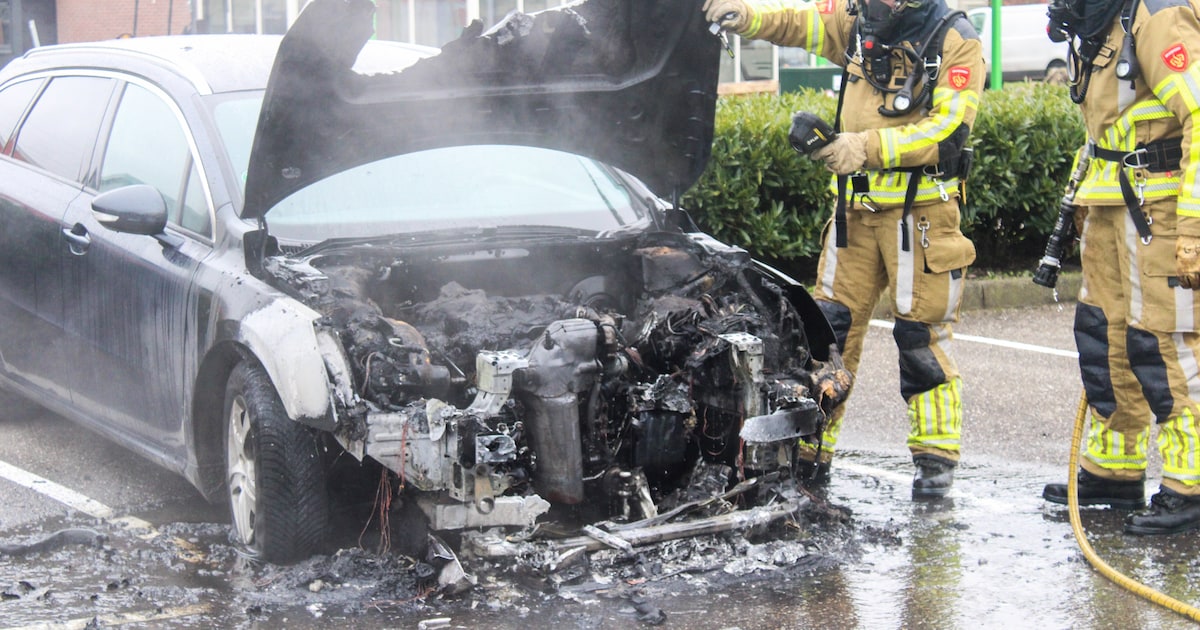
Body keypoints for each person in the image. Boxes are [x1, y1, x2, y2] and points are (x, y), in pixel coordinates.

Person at [703, 0, 983, 497]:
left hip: (920, 220)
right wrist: (745, 15)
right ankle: (811, 455)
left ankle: (934, 465)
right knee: (826, 337)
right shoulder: (857, 20)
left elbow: (950, 130)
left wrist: (865, 148)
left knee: (922, 341)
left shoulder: (954, 39)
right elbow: (798, 23)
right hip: (853, 217)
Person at [1039, 0, 1200, 535]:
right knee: (1104, 341)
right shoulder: (1103, 21)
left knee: (1164, 345)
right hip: (1112, 206)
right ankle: (1114, 469)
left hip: (1159, 210)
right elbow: (1107, 130)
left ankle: (1190, 481)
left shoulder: (1155, 16)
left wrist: (1193, 229)